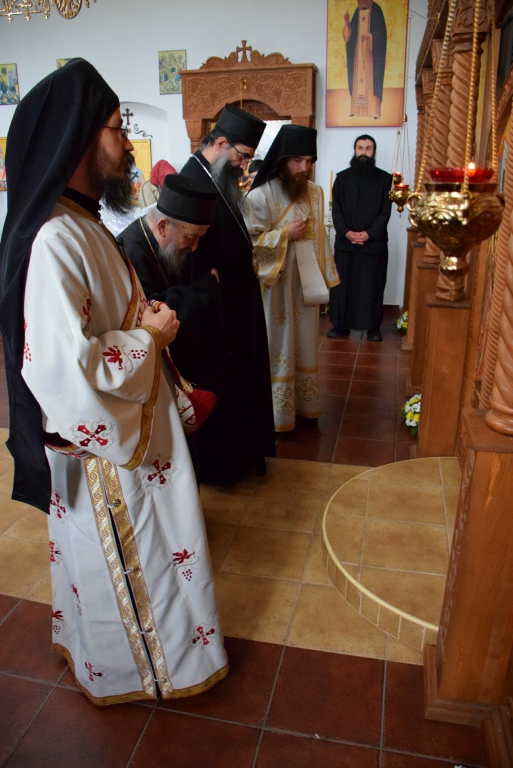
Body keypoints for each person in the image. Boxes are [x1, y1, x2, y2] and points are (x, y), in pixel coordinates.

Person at [0, 59, 227, 705]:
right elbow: (60, 366)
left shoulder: (85, 222)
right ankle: (140, 671)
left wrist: (146, 324)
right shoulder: (55, 238)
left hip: (136, 428)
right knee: (134, 562)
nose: (128, 143)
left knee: (163, 553)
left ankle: (170, 656)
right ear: (78, 136)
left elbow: (107, 321)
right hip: (108, 453)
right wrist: (149, 338)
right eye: (116, 128)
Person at [180, 103, 275, 485]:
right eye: (243, 156)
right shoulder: (194, 179)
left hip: (234, 304)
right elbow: (188, 254)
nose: (244, 166)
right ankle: (221, 467)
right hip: (213, 311)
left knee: (240, 381)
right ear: (221, 144)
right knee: (222, 383)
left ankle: (241, 456)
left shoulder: (217, 176)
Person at [245, 125, 339, 432]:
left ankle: (304, 405)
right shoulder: (260, 195)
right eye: (297, 161)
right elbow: (250, 245)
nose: (304, 168)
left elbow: (321, 238)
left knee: (306, 343)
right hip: (275, 285)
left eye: (308, 161)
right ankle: (277, 414)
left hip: (305, 285)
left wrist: (325, 276)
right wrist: (285, 233)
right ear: (282, 160)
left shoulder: (316, 193)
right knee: (278, 344)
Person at [119, 173, 223, 394]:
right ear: (163, 226)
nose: (194, 247)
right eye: (190, 237)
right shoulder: (131, 253)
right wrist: (205, 288)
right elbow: (153, 312)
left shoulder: (168, 243)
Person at [328, 134, 393, 342]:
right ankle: (340, 325)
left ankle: (373, 327)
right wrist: (347, 233)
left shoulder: (385, 180)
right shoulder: (342, 178)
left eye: (368, 148)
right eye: (360, 148)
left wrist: (368, 234)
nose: (363, 152)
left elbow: (385, 212)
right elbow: (336, 210)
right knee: (342, 286)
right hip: (346, 244)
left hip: (373, 245)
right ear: (354, 150)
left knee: (371, 286)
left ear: (374, 152)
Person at [343, 0, 387, 120]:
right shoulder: (357, 12)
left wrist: (371, 36)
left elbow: (382, 34)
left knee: (371, 82)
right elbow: (349, 38)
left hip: (371, 55)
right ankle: (355, 110)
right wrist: (347, 24)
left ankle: (374, 111)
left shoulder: (376, 10)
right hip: (358, 54)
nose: (361, 1)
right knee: (358, 81)